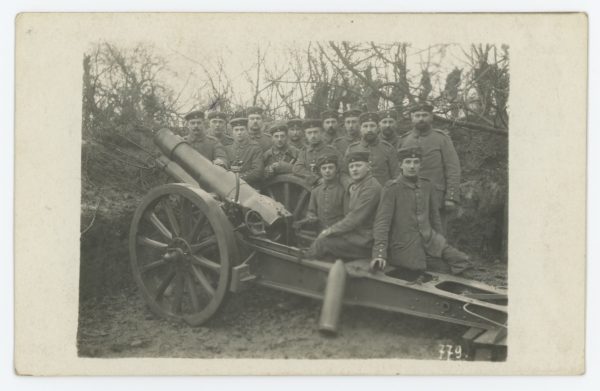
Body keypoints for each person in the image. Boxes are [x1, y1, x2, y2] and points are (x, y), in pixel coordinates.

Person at [371, 147, 472, 275]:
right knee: (427, 270)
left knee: (462, 261)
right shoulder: (392, 188)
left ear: (420, 165)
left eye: (416, 162)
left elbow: (434, 218)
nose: (412, 166)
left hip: (431, 240)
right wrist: (380, 254)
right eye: (408, 162)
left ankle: (461, 291)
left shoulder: (427, 185)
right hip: (405, 245)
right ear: (400, 165)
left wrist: (441, 242)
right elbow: (382, 223)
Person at [305, 151, 381, 260]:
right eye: (351, 166)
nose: (354, 169)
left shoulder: (370, 188)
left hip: (365, 240)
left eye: (358, 165)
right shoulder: (359, 185)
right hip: (355, 235)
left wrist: (329, 231)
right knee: (325, 245)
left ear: (368, 167)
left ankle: (304, 267)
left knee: (322, 243)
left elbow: (353, 218)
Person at [399, 103, 461, 234]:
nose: (421, 118)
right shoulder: (404, 140)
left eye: (425, 115)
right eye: (417, 115)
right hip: (409, 197)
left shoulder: (441, 138)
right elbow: (398, 170)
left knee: (437, 234)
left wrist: (451, 196)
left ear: (431, 117)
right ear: (411, 117)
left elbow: (453, 168)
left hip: (436, 197)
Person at [293, 154, 346, 232]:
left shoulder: (343, 191)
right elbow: (311, 211)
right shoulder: (316, 191)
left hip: (339, 233)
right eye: (324, 168)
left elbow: (348, 216)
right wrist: (311, 216)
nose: (327, 171)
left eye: (330, 167)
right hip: (320, 233)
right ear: (320, 171)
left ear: (336, 169)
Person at [345, 112, 399, 186]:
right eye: (365, 126)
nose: (369, 130)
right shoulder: (352, 149)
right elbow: (344, 173)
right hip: (360, 193)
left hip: (383, 193)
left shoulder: (387, 148)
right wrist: (350, 186)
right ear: (360, 128)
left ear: (378, 128)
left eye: (372, 126)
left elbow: (396, 174)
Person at [292, 119, 342, 186]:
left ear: (321, 133)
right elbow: (297, 169)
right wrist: (315, 178)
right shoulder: (304, 152)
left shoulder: (332, 150)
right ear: (305, 135)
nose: (313, 136)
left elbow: (342, 169)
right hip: (310, 188)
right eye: (309, 133)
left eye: (315, 132)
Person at [222, 116, 264, 188]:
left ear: (247, 131)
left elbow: (257, 172)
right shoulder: (227, 149)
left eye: (242, 129)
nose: (239, 132)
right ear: (232, 132)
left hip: (251, 188)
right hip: (230, 188)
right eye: (236, 130)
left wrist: (237, 178)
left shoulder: (255, 148)